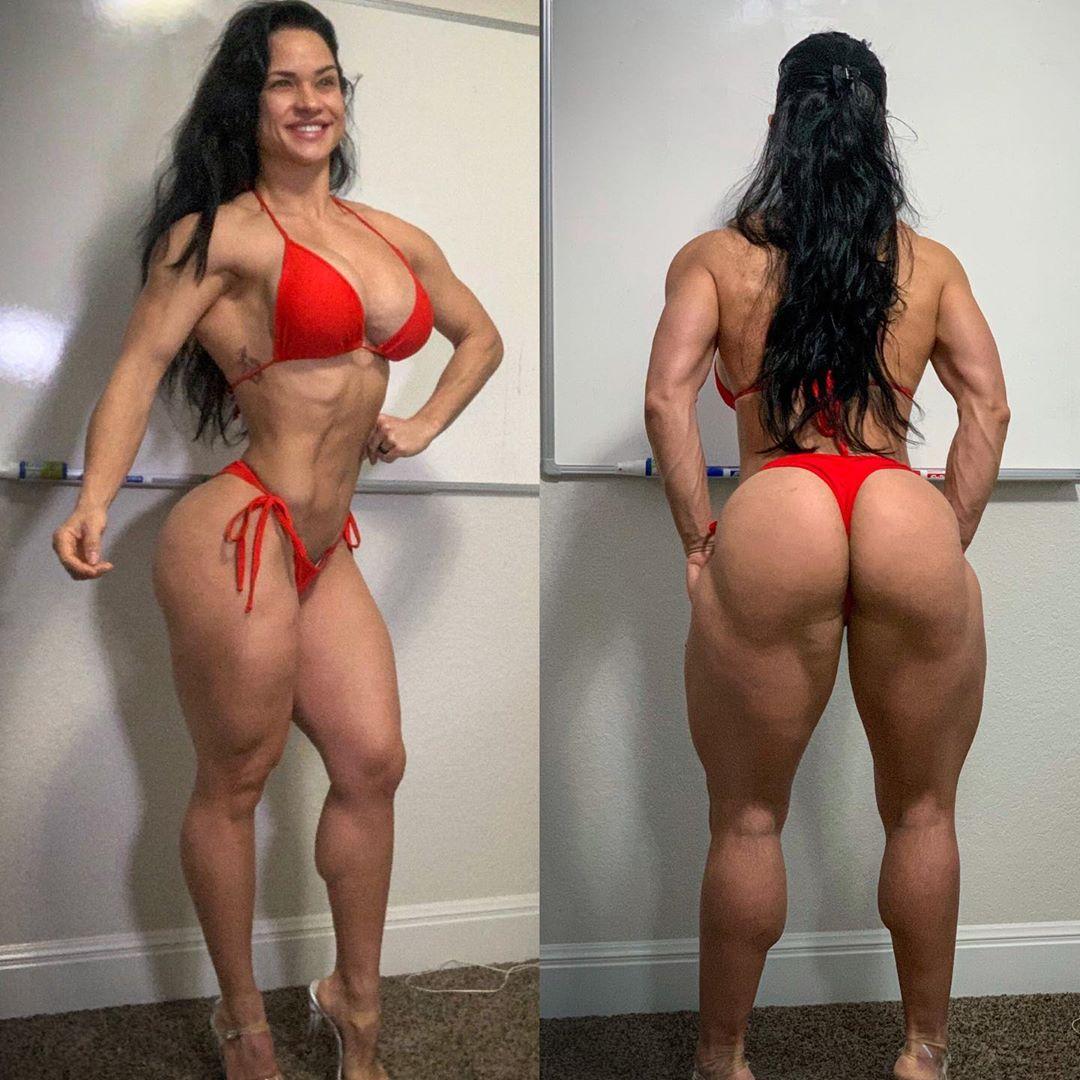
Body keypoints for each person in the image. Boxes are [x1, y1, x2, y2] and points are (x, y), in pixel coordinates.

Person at [51, 3, 502, 1078]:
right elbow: (136, 369)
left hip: (324, 545)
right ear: (246, 103)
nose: (310, 101)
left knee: (373, 761)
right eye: (283, 82)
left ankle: (353, 1002)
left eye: (326, 79)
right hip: (240, 533)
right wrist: (94, 498)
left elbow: (480, 336)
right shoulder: (218, 236)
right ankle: (243, 1019)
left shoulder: (390, 237)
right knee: (237, 780)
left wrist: (425, 423)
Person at [644, 30, 1008, 1080]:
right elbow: (988, 404)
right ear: (877, 132)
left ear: (778, 128)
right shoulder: (928, 263)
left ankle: (723, 1060)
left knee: (747, 818)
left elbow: (667, 397)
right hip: (899, 506)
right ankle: (923, 1055)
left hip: (779, 508)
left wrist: (698, 541)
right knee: (924, 810)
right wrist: (947, 535)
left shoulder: (718, 258)